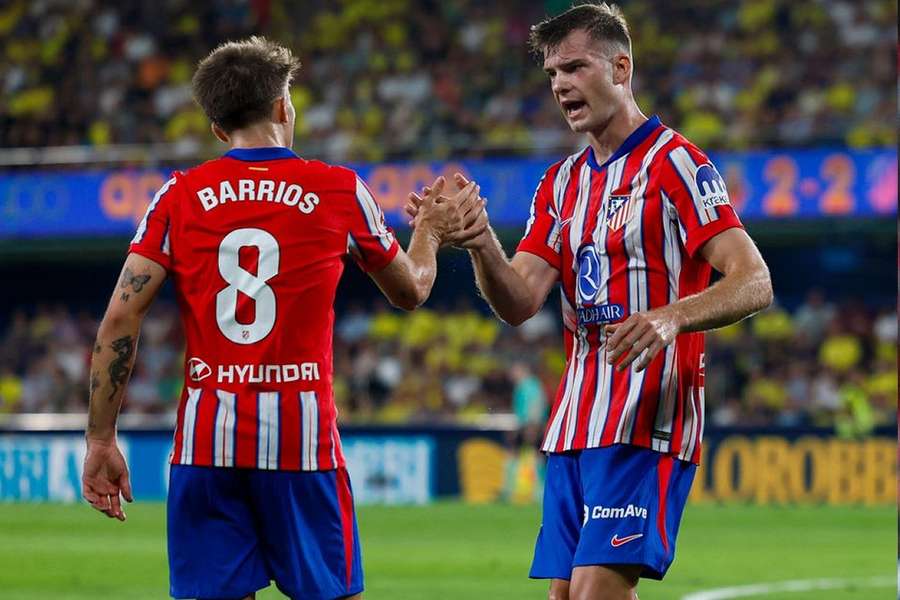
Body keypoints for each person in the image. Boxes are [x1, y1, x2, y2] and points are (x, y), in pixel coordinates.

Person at [81, 37, 485, 600]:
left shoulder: (177, 196)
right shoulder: (340, 189)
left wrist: (101, 437)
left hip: (205, 446)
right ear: (282, 109)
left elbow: (120, 319)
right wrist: (430, 232)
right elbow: (413, 290)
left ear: (219, 129)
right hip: (302, 444)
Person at [408, 3, 773, 599]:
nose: (560, 85)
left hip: (646, 419)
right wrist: (479, 243)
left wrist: (670, 316)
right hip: (575, 424)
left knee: (593, 593)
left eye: (575, 67)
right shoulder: (561, 183)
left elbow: (754, 278)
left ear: (621, 68)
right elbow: (521, 299)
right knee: (563, 596)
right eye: (553, 74)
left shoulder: (677, 164)